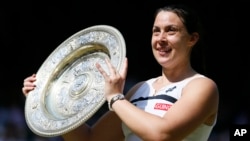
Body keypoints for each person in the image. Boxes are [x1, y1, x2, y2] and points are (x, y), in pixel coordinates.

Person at [22, 4, 219, 141]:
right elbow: (90, 139)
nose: (160, 38)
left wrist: (116, 98)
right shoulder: (140, 89)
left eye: (171, 30)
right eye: (156, 31)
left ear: (192, 39)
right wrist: (48, 101)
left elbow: (162, 135)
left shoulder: (202, 86)